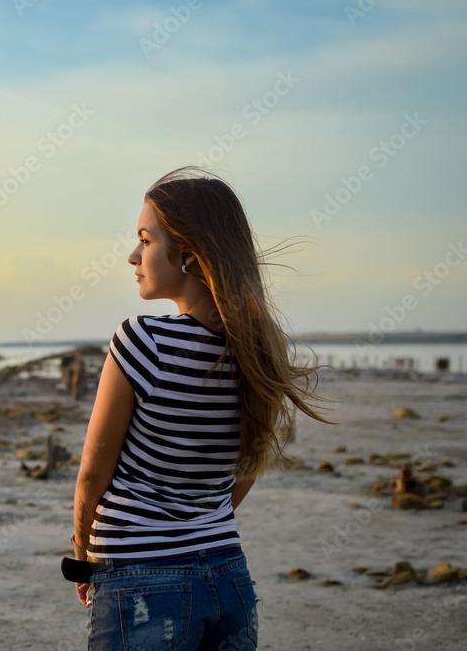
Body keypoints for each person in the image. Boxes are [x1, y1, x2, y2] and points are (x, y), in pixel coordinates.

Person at [70, 166, 337, 650]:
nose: (133, 256)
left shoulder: (142, 340)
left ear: (189, 256)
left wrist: (83, 557)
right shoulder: (257, 352)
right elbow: (247, 469)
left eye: (145, 241)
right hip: (228, 575)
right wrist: (199, 520)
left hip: (141, 577)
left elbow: (93, 471)